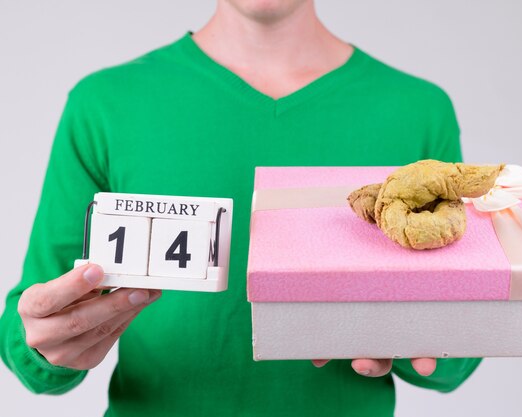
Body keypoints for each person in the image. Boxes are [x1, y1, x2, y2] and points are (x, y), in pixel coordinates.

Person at [0, 0, 482, 415]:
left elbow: (456, 357)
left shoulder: (418, 111)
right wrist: (44, 342)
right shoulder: (103, 105)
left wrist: (432, 335)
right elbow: (30, 337)